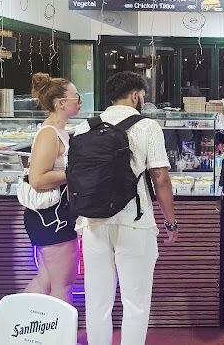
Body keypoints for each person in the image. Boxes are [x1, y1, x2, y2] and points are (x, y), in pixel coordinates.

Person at [74, 71, 178, 345]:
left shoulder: (85, 127)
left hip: (92, 220)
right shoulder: (147, 127)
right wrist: (170, 221)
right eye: (142, 95)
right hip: (134, 220)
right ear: (135, 96)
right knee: (135, 302)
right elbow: (160, 178)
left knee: (97, 301)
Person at [23, 73, 81, 303]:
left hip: (53, 216)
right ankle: (58, 328)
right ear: (60, 103)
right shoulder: (49, 133)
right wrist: (78, 174)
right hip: (52, 217)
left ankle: (20, 322)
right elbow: (37, 179)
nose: (79, 101)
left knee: (46, 279)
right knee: (62, 285)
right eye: (76, 96)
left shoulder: (58, 131)